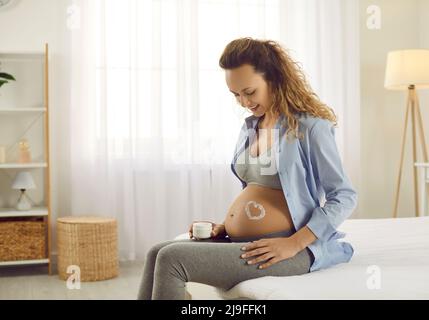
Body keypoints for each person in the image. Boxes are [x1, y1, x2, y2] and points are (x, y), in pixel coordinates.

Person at [137, 37, 357, 300]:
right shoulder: (250, 127)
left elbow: (344, 196)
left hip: (284, 248)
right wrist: (225, 226)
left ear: (274, 79)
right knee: (156, 252)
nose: (243, 102)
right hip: (245, 242)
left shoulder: (311, 128)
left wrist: (294, 244)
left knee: (173, 259)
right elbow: (256, 192)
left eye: (249, 92)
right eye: (236, 95)